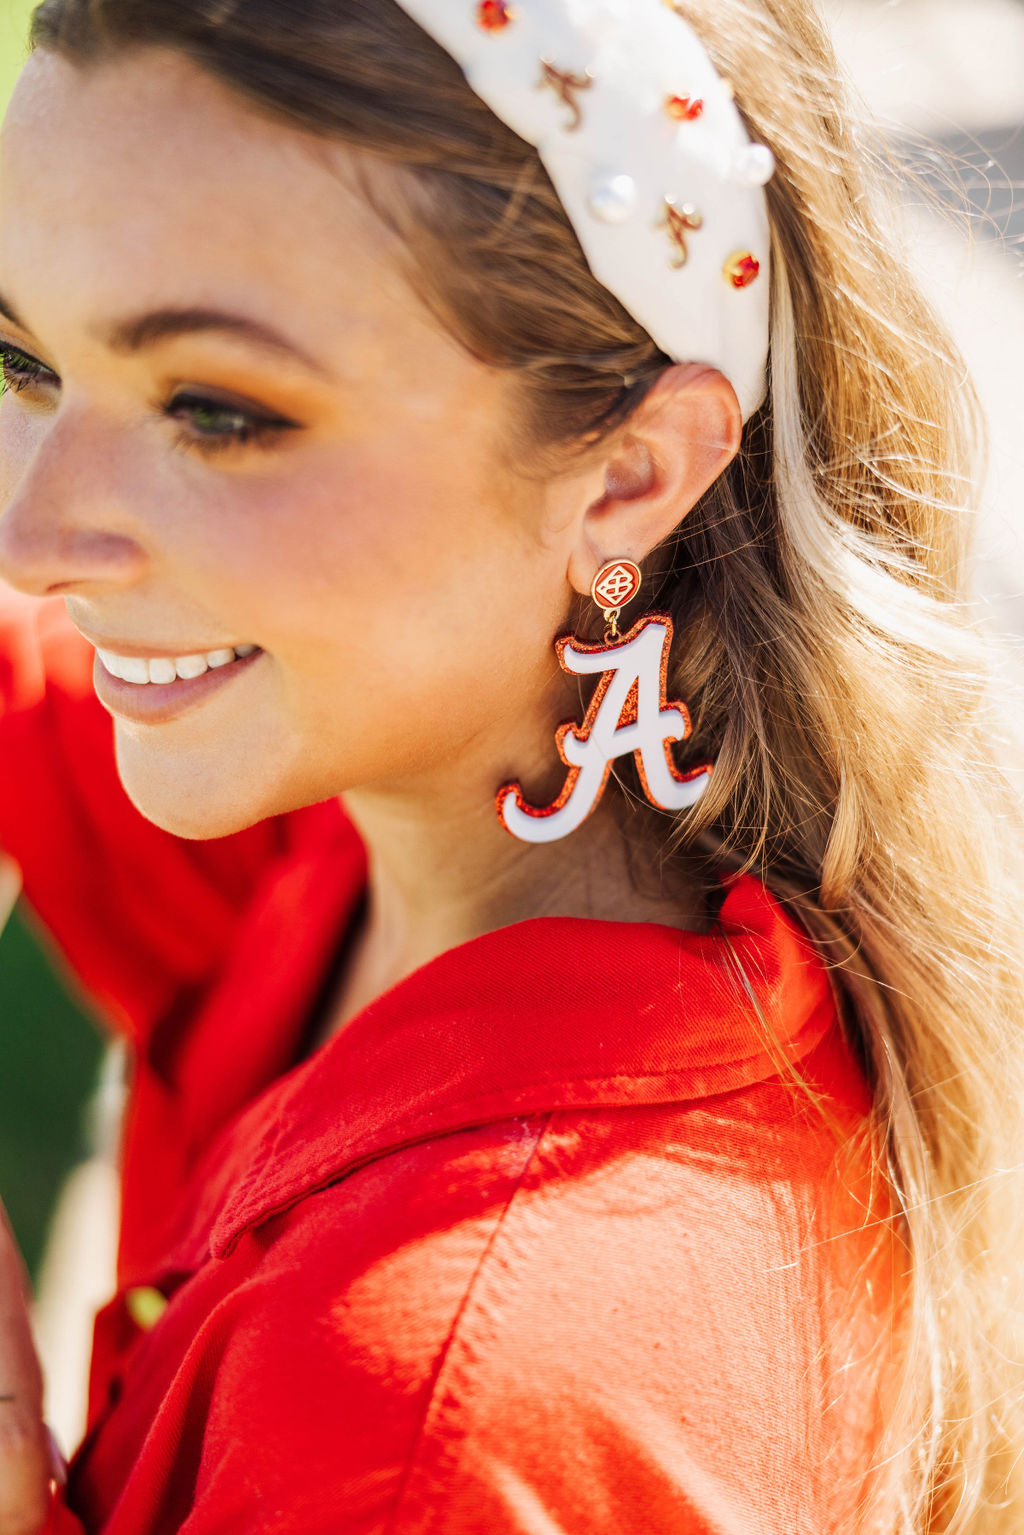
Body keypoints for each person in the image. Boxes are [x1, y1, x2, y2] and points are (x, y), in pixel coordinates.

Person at [0, 0, 1022, 1530]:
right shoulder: (392, 811)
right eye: (24, 362)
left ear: (630, 473)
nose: (35, 541)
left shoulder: (440, 1408)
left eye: (215, 412)